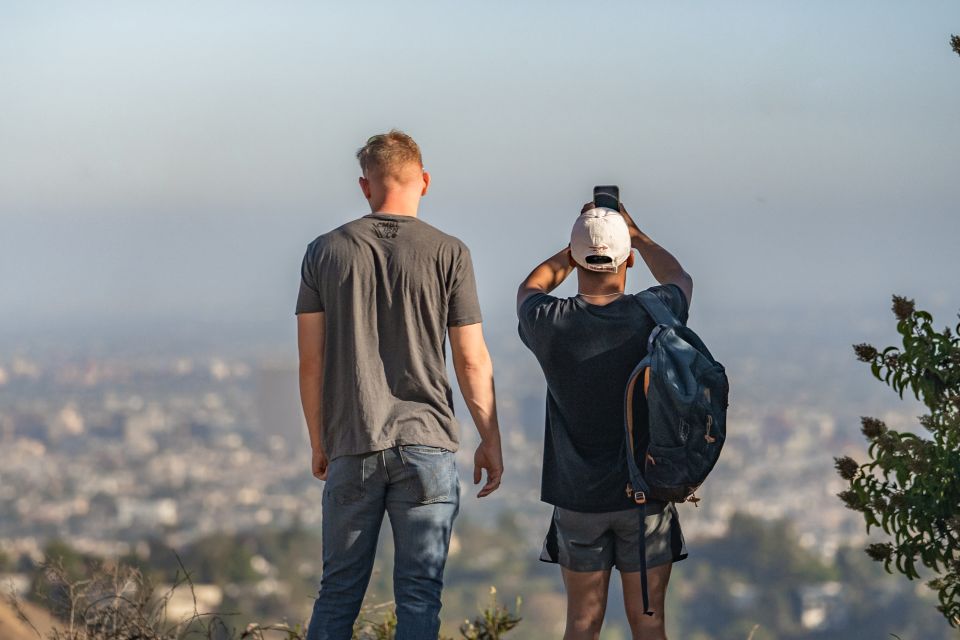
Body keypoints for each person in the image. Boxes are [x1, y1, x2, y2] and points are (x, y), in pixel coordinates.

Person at [296, 130, 504, 640]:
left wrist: (319, 441)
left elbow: (310, 361)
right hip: (427, 444)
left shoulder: (324, 252)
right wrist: (490, 438)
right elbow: (471, 360)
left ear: (365, 185)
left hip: (353, 440)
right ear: (424, 181)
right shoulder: (449, 253)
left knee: (338, 593)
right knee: (419, 595)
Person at [516, 201, 694, 640]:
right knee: (649, 624)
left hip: (578, 499)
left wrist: (575, 247)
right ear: (628, 259)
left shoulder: (548, 321)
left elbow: (530, 287)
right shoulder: (653, 313)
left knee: (581, 623)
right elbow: (680, 278)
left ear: (575, 261)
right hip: (645, 495)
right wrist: (638, 235)